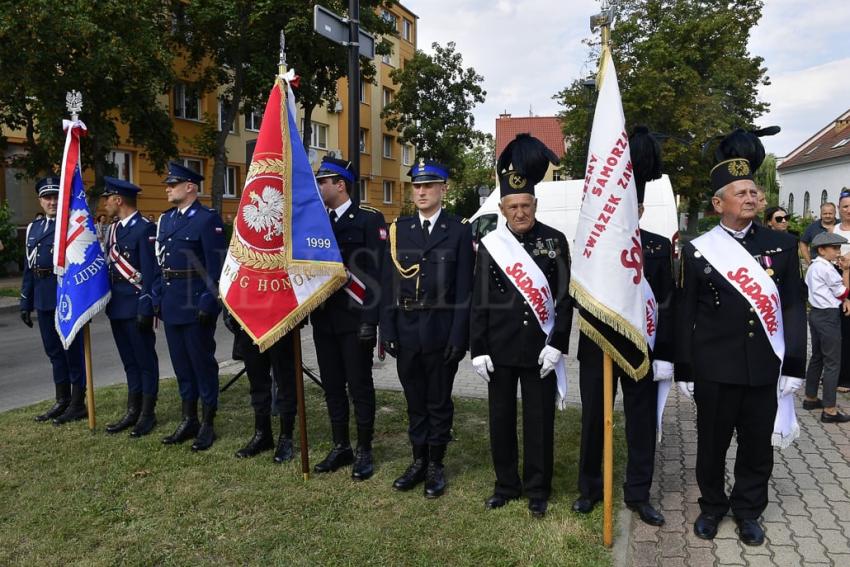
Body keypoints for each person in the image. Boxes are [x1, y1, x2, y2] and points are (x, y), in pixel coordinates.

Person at [677, 127, 806, 546]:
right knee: (711, 445)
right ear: (718, 203)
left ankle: (749, 509)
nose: (752, 198)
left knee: (756, 447)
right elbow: (684, 311)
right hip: (715, 367)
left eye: (754, 191)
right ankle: (713, 507)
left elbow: (791, 307)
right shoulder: (698, 250)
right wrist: (683, 367)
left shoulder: (781, 245)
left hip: (763, 366)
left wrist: (795, 364)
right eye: (741, 193)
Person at [573, 128, 673, 527]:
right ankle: (590, 488)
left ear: (641, 212)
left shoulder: (659, 246)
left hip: (641, 347)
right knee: (595, 420)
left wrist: (665, 354)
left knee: (641, 422)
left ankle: (638, 493)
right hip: (597, 344)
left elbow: (666, 303)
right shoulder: (591, 245)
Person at [470, 134, 571, 519]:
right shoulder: (490, 244)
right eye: (513, 206)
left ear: (535, 204)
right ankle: (506, 485)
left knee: (539, 422)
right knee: (500, 420)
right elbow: (478, 300)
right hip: (498, 348)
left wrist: (557, 343)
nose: (520, 213)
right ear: (502, 207)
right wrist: (477, 348)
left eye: (526, 205)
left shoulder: (555, 241)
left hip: (539, 349)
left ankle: (538, 488)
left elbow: (564, 299)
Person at [380, 159, 474, 498]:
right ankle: (417, 460)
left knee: (438, 401)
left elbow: (465, 291)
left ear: (443, 189)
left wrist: (458, 337)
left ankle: (436, 463)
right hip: (406, 329)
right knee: (414, 399)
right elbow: (388, 284)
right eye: (417, 186)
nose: (421, 191)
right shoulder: (399, 229)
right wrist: (386, 329)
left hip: (440, 329)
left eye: (429, 186)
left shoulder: (460, 230)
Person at [311, 156, 387, 481]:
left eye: (322, 181)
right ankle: (341, 445)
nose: (318, 186)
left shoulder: (369, 219)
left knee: (359, 386)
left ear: (339, 185)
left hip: (356, 320)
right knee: (331, 386)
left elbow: (379, 274)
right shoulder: (316, 221)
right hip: (324, 318)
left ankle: (364, 449)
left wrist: (372, 319)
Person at [156, 161, 226, 451]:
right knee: (181, 365)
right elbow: (162, 263)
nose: (168, 189)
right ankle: (189, 419)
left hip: (196, 302)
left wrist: (208, 302)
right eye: (168, 185)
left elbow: (217, 266)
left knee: (202, 364)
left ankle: (208, 422)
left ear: (190, 187)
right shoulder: (168, 219)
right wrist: (158, 298)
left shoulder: (207, 219)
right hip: (172, 303)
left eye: (173, 185)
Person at [20, 177, 86, 424]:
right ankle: (62, 400)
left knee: (72, 352)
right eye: (47, 197)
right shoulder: (33, 228)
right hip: (42, 297)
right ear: (40, 200)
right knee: (54, 352)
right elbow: (30, 267)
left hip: (65, 296)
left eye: (56, 197)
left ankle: (78, 402)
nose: (52, 202)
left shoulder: (71, 226)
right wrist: (26, 301)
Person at [100, 177, 161, 437]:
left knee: (145, 360)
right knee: (129, 362)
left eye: (107, 199)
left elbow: (151, 273)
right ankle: (132, 410)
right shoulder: (113, 230)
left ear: (118, 200)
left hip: (136, 304)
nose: (104, 204)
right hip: (117, 306)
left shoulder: (145, 228)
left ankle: (148, 413)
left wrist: (147, 307)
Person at [225, 312, 298, 462]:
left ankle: (286, 437)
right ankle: (262, 434)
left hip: (279, 317)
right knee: (257, 380)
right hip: (248, 318)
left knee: (285, 381)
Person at [802, 232, 850, 422]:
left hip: (815, 314)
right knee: (832, 362)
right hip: (828, 316)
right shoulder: (828, 269)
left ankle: (810, 398)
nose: (838, 252)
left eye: (839, 248)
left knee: (818, 357)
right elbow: (843, 292)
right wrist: (846, 270)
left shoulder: (814, 266)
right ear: (822, 250)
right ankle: (830, 409)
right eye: (835, 248)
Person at [832, 192, 850, 393]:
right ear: (839, 208)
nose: (849, 210)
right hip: (835, 283)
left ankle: (846, 376)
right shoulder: (833, 230)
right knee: (836, 332)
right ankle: (836, 374)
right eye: (845, 206)